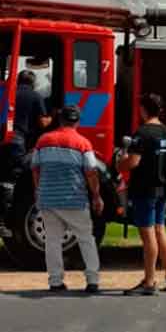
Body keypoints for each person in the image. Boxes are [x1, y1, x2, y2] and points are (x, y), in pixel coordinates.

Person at [31, 105, 102, 293]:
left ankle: (55, 281)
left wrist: (38, 190)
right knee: (86, 238)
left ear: (60, 120)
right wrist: (96, 196)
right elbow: (91, 172)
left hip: (48, 199)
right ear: (77, 121)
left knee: (52, 240)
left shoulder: (43, 141)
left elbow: (35, 169)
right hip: (75, 200)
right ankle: (92, 280)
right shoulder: (83, 143)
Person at [117, 93, 166, 295]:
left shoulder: (142, 133)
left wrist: (119, 162)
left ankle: (149, 282)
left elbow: (133, 162)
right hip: (163, 186)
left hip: (145, 188)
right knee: (161, 230)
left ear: (143, 109)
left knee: (148, 234)